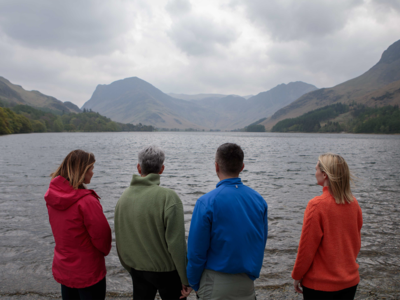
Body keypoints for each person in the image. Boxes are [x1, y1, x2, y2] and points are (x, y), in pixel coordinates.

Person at [187, 143, 268, 300]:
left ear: (216, 166)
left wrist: (193, 283)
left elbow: (196, 253)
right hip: (247, 285)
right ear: (242, 166)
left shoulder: (206, 202)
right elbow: (260, 243)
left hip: (213, 284)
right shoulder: (259, 201)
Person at [114, 145, 191, 300]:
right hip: (167, 272)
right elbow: (177, 244)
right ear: (162, 169)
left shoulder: (123, 198)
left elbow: (120, 238)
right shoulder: (169, 198)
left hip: (137, 270)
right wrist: (185, 278)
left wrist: (129, 267)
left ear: (138, 167)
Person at [292, 153, 363, 300]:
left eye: (316, 168)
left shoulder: (317, 205)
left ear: (324, 175)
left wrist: (297, 275)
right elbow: (355, 242)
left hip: (321, 285)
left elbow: (306, 248)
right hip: (350, 281)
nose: (315, 172)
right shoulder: (353, 203)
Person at [44, 149, 112, 300]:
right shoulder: (87, 201)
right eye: (91, 168)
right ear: (82, 170)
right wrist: (105, 251)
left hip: (64, 267)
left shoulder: (52, 196)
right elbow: (102, 236)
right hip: (88, 271)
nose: (93, 173)